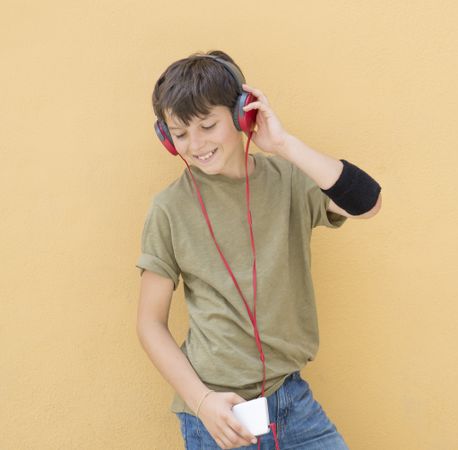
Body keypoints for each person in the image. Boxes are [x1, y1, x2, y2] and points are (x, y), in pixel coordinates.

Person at [135, 50, 382, 450]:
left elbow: (368, 203)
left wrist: (281, 143)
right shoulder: (168, 209)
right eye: (180, 134)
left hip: (291, 399)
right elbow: (149, 323)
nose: (195, 144)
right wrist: (202, 403)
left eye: (208, 125)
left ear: (240, 115)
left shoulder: (288, 180)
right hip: (218, 413)